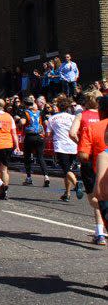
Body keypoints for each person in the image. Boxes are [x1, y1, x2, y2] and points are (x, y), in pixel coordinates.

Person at [74, 95, 108, 245]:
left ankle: (100, 233)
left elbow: (83, 155)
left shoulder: (90, 125)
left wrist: (83, 145)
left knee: (98, 198)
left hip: (97, 166)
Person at [46, 95, 80, 202]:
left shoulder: (52, 118)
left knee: (66, 170)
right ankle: (67, 193)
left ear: (59, 107)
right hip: (73, 146)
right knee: (67, 170)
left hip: (61, 147)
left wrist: (48, 138)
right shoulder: (73, 117)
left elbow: (48, 135)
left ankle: (77, 184)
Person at [19, 95, 50, 188]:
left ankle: (28, 178)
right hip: (40, 137)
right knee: (40, 157)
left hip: (30, 137)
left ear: (25, 105)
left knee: (27, 157)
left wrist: (18, 122)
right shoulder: (40, 113)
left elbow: (23, 122)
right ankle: (46, 177)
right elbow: (46, 123)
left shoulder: (26, 112)